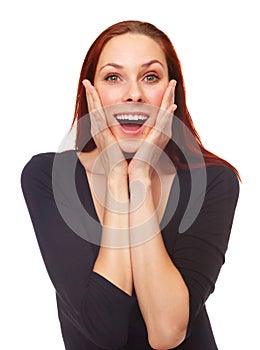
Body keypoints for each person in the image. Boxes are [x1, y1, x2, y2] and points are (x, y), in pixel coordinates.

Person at [21, 20, 240, 349]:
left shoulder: (213, 182)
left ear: (172, 91)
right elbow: (103, 329)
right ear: (90, 91)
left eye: (150, 77)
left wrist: (137, 178)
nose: (133, 93)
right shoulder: (48, 176)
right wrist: (114, 178)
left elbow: (167, 333)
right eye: (113, 77)